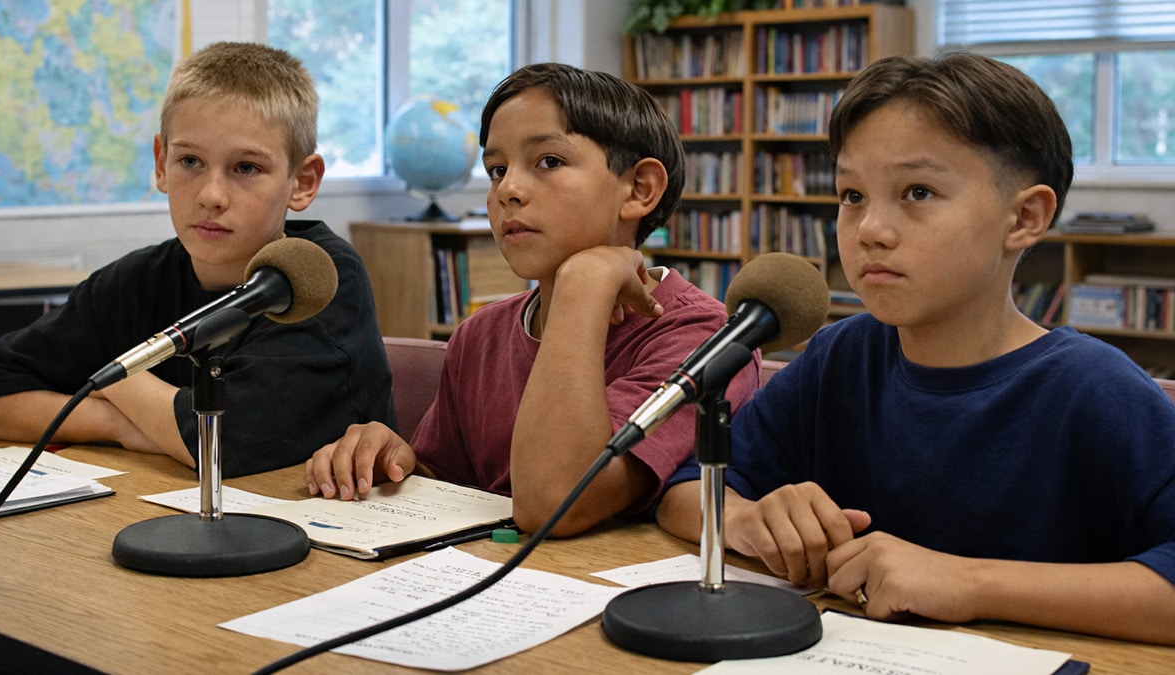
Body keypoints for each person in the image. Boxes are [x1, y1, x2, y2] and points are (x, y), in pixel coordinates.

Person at [657, 52, 1175, 644]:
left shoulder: (1095, 389)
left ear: (1024, 218)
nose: (870, 228)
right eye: (852, 195)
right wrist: (748, 519)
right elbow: (683, 493)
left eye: (919, 191)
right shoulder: (838, 359)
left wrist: (971, 583)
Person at [305, 62, 760, 536]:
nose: (509, 190)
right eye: (497, 170)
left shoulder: (705, 337)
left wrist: (584, 284)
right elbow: (451, 486)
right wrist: (393, 461)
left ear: (639, 189)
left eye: (548, 162)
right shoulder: (478, 335)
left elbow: (554, 503)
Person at [0, 42, 396, 478]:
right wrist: (115, 423)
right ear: (161, 163)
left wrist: (116, 380)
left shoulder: (319, 279)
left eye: (246, 168)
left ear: (302, 182)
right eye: (190, 161)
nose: (211, 196)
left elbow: (220, 441)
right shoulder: (132, 283)